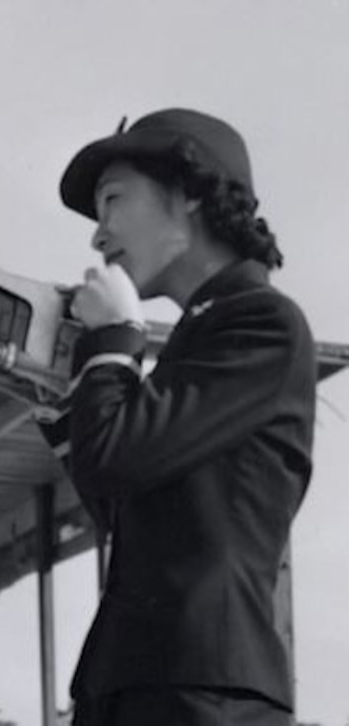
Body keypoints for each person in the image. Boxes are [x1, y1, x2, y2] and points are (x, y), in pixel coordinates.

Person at [52, 108, 317, 725]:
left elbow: (117, 463)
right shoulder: (200, 335)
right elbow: (125, 505)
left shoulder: (262, 322)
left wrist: (115, 339)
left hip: (202, 689)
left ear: (191, 194)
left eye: (113, 200)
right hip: (156, 683)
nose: (99, 234)